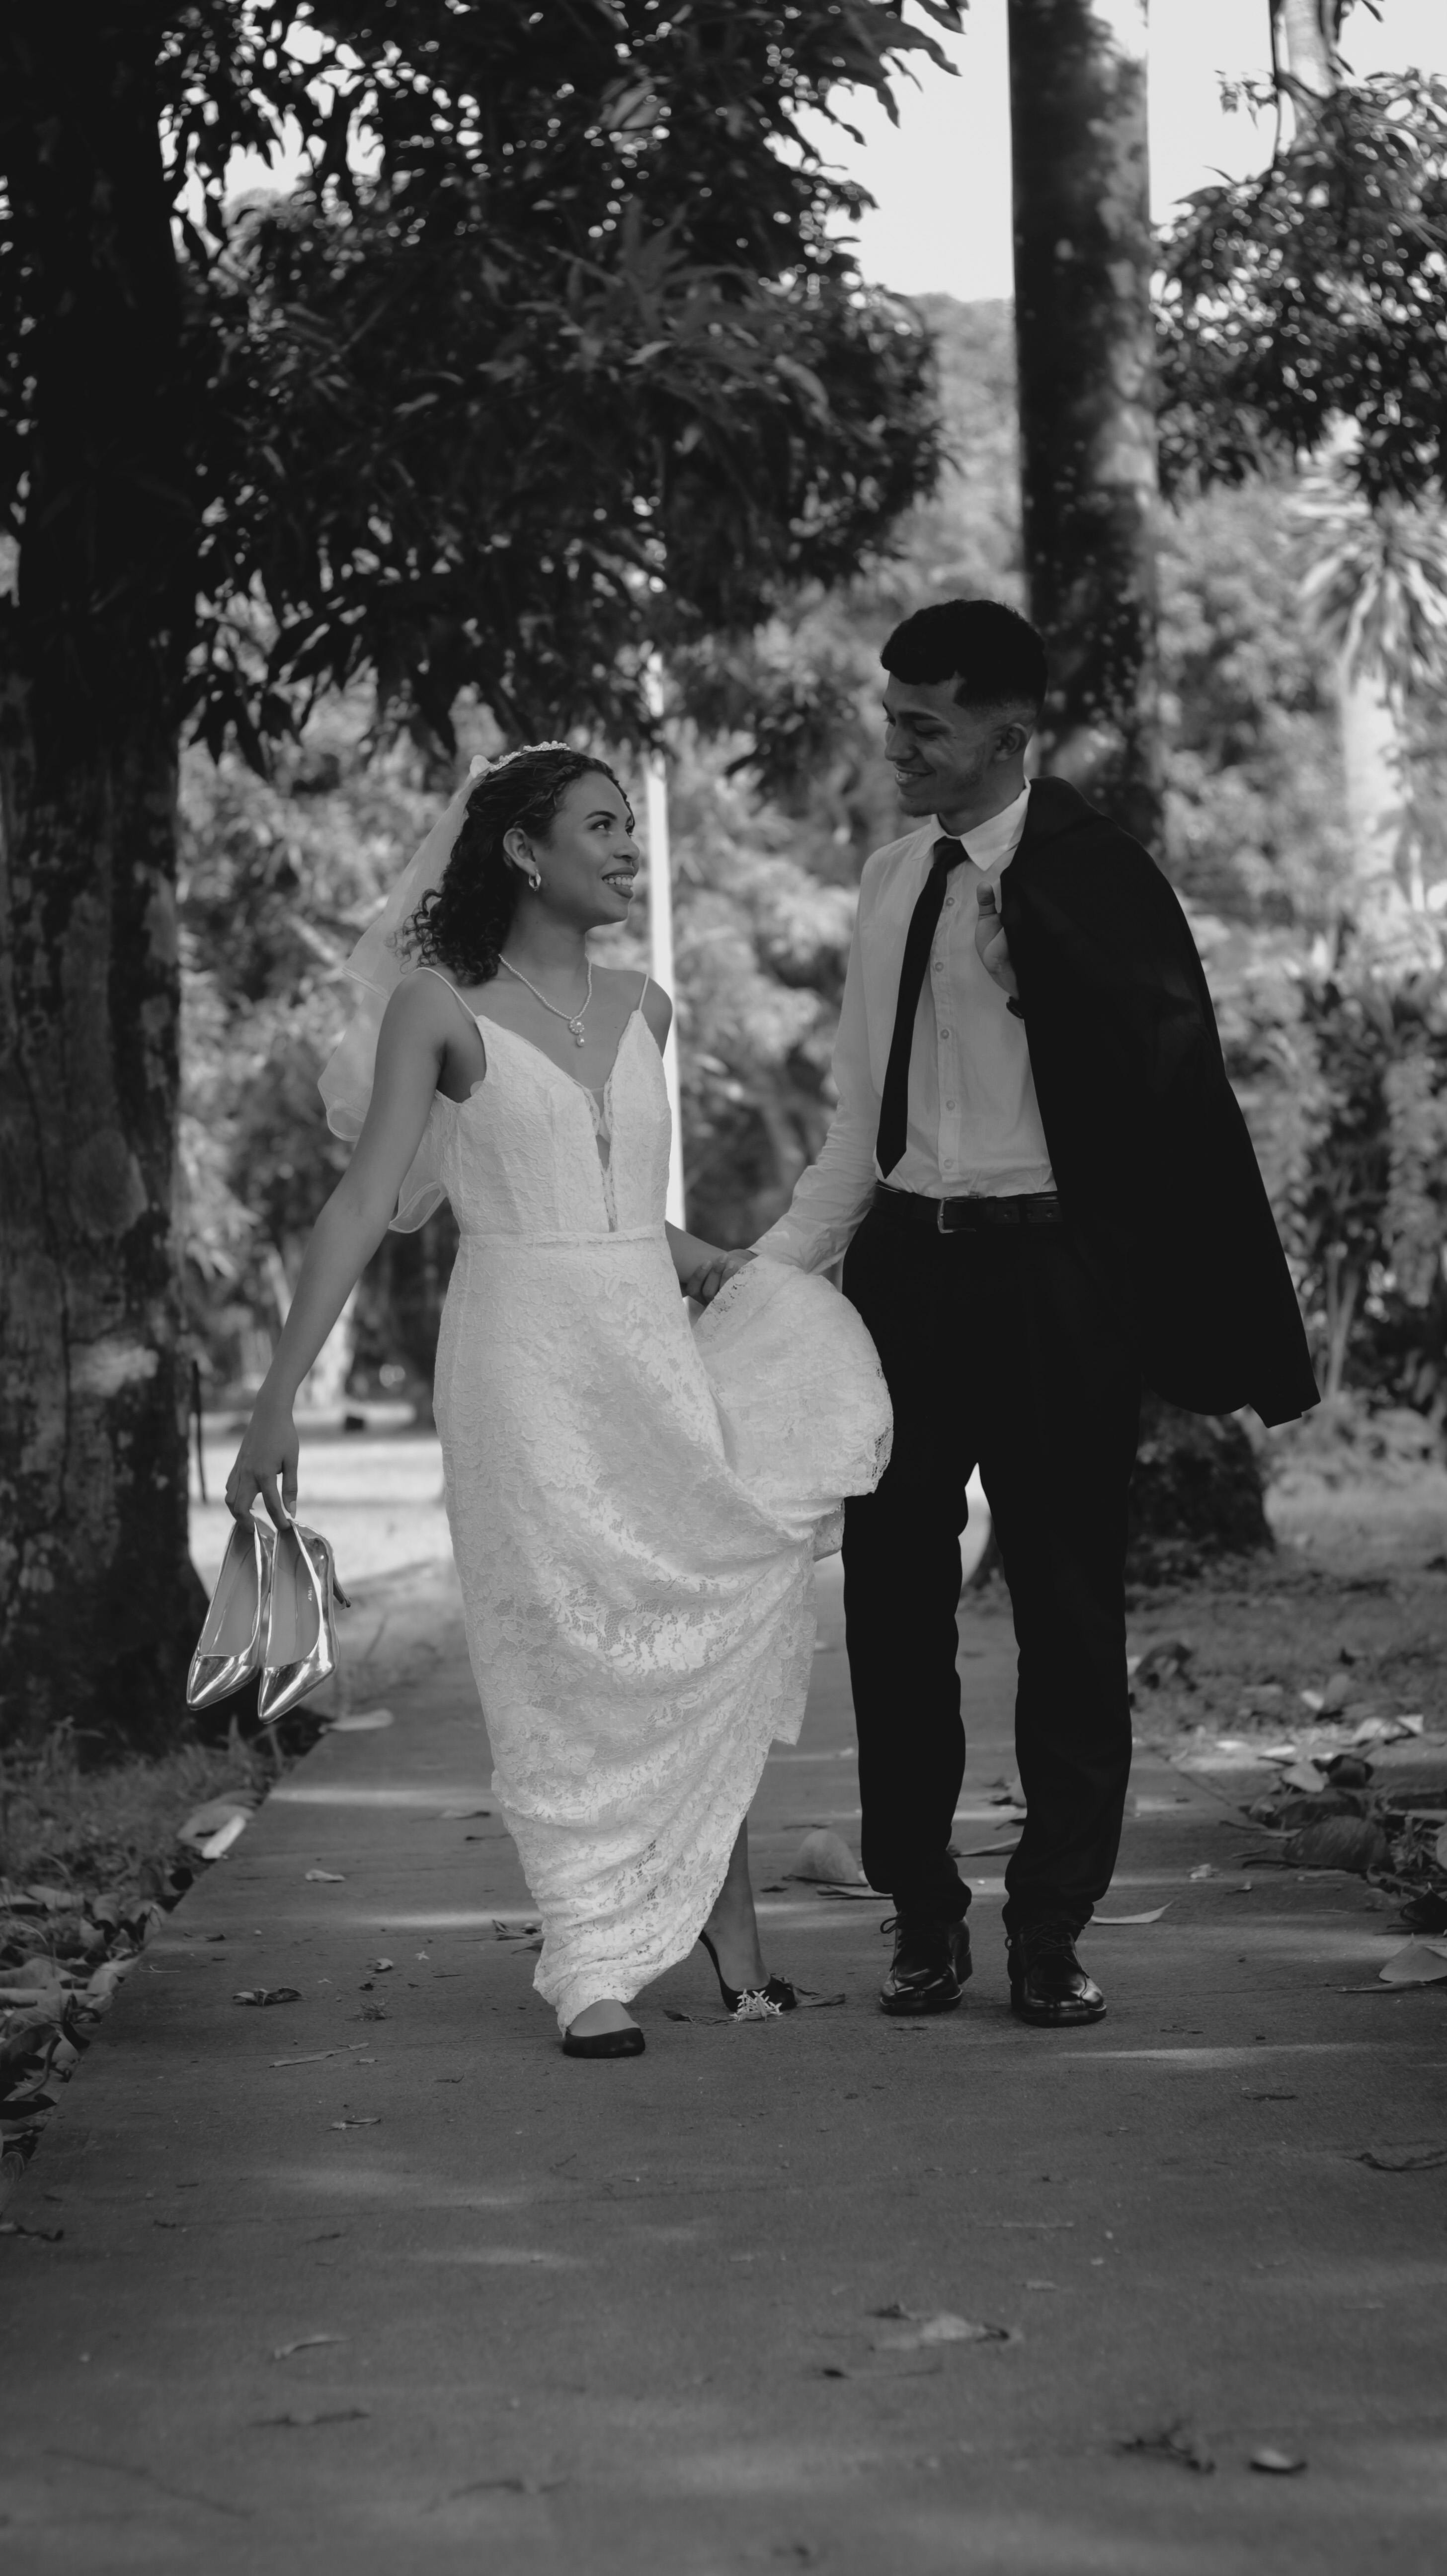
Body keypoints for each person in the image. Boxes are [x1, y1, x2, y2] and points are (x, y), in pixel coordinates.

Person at [694, 600, 1318, 2028]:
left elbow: (1166, 1091)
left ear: (1005, 732)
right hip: (908, 1275)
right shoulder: (888, 881)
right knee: (893, 1614)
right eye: (892, 716)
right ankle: (924, 1915)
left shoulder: (1096, 877)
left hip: (1056, 1279)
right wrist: (774, 1278)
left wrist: (1040, 983)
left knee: (1070, 1611)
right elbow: (863, 1118)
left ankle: (1053, 1931)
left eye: (924, 722)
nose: (897, 744)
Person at [224, 744, 890, 2060]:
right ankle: (588, 1951)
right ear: (526, 850)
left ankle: (727, 1925)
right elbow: (365, 1203)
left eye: (628, 826)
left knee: (684, 1628)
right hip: (520, 1360)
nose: (628, 847)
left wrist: (743, 1275)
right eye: (601, 825)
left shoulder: (645, 1007)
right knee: (562, 1652)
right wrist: (276, 1399)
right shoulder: (438, 1005)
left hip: (645, 1347)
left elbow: (631, 1211)